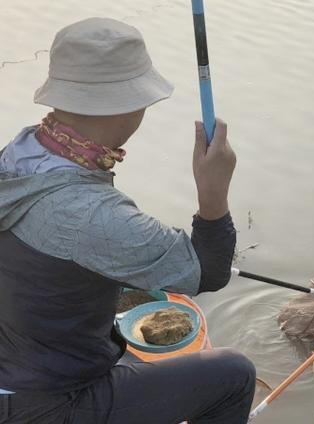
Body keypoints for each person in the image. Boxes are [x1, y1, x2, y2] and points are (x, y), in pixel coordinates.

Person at [0, 17, 255, 423]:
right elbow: (208, 272)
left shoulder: (18, 155)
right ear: (130, 106)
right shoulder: (93, 217)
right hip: (45, 401)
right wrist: (213, 190)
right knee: (233, 374)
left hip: (18, 365)